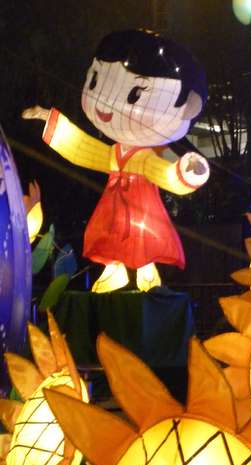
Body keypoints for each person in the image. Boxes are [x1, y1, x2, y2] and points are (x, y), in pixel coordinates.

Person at [23, 29, 210, 293]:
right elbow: (83, 149)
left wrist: (188, 172)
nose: (107, 104)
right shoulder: (114, 154)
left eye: (135, 94)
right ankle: (115, 271)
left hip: (143, 208)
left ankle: (146, 272)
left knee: (144, 238)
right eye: (95, 81)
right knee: (110, 237)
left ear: (187, 107)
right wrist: (49, 119)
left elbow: (165, 173)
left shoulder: (146, 158)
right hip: (113, 206)